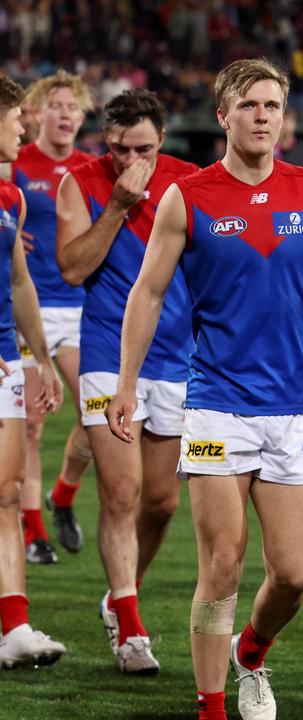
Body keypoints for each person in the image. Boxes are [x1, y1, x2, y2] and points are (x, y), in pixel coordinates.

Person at [106, 58, 303, 720]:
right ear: (223, 116)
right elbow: (147, 292)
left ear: (285, 117)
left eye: (273, 106)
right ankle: (214, 706)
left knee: (294, 575)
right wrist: (126, 384)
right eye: (250, 105)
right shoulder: (191, 198)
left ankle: (252, 654)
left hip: (293, 408)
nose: (263, 116)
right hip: (216, 406)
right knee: (222, 565)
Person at [55, 88, 199, 674]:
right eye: (118, 148)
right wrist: (116, 205)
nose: (130, 159)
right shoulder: (82, 183)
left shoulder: (191, 182)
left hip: (178, 357)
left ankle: (121, 596)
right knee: (122, 493)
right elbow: (71, 267)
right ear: (105, 141)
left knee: (162, 503)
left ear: (162, 140)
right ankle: (132, 632)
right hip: (107, 356)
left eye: (142, 147)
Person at [6, 71, 95, 562]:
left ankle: (62, 495)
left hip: (80, 308)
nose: (64, 114)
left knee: (96, 412)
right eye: (56, 105)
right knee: (34, 423)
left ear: (82, 118)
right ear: (37, 112)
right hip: (31, 308)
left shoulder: (88, 168)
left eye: (73, 107)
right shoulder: (18, 162)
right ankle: (35, 531)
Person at [0, 71, 67, 671]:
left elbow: (20, 281)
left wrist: (40, 358)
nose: (23, 125)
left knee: (4, 493)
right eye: (16, 116)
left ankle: (14, 626)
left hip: (5, 362)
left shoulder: (10, 197)